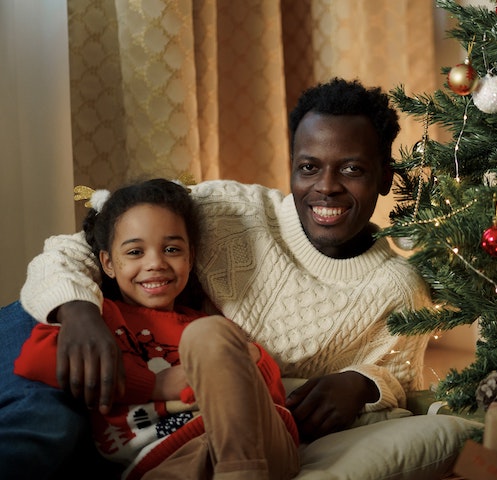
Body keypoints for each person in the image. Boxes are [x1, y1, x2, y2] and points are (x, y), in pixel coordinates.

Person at [5, 77, 432, 477]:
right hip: (97, 344)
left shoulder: (395, 289)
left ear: (384, 179)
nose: (327, 187)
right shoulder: (228, 209)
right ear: (292, 168)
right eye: (308, 167)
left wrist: (364, 383)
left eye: (352, 170)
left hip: (216, 418)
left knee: (204, 343)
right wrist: (78, 313)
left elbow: (402, 383)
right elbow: (78, 244)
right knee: (45, 426)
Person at [13, 178, 300, 480]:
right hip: (162, 460)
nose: (155, 263)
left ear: (190, 257)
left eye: (172, 249)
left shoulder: (208, 328)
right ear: (108, 263)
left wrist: (242, 361)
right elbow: (35, 358)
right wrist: (155, 385)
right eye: (135, 252)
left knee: (208, 334)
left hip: (255, 447)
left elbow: (271, 396)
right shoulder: (100, 318)